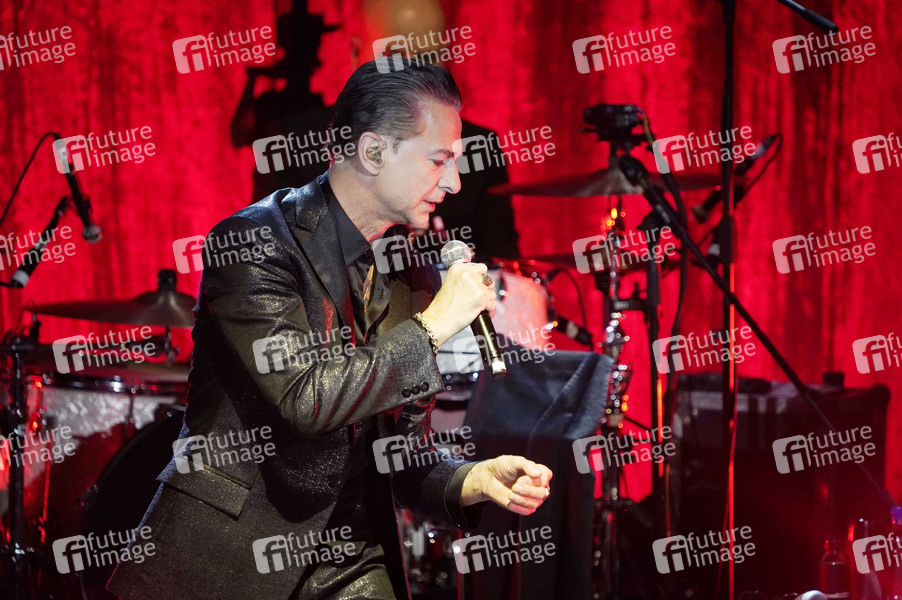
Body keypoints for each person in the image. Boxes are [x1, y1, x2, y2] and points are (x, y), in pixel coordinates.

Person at [106, 58, 552, 600]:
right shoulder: (253, 244)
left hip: (352, 561)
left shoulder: (407, 270)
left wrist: (469, 479)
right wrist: (435, 324)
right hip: (230, 556)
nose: (455, 182)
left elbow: (401, 452)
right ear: (372, 151)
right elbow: (305, 399)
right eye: (439, 160)